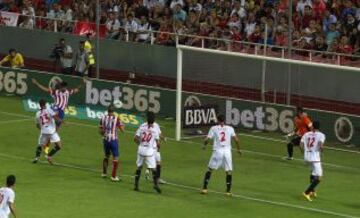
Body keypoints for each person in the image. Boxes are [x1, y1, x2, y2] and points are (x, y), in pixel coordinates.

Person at [32, 78, 84, 154]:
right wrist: (37, 83)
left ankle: (46, 146)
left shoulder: (68, 92)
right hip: (55, 109)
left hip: (61, 112)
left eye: (65, 87)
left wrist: (83, 83)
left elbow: (77, 89)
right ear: (60, 87)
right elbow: (46, 89)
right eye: (63, 87)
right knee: (52, 129)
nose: (64, 88)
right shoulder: (56, 92)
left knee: (55, 131)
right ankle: (44, 145)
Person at [201, 114, 241, 196]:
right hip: (227, 152)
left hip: (218, 151)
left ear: (218, 120)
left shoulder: (214, 128)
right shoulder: (230, 128)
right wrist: (238, 150)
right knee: (228, 171)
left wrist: (204, 145)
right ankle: (228, 191)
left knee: (210, 169)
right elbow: (236, 140)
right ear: (224, 120)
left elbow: (207, 139)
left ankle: (205, 188)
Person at [134, 112, 161, 193]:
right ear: (154, 120)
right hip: (149, 151)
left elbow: (135, 139)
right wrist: (158, 149)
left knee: (139, 167)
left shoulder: (142, 126)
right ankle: (155, 184)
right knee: (153, 168)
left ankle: (136, 185)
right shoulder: (155, 130)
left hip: (141, 149)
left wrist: (141, 143)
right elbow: (158, 143)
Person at [300, 121, 325, 201]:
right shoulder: (321, 135)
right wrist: (322, 150)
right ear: (319, 127)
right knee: (319, 177)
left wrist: (304, 152)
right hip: (315, 158)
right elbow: (321, 145)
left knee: (313, 173)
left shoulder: (306, 134)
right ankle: (306, 192)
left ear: (312, 126)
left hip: (306, 157)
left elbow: (301, 145)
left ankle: (312, 191)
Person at [99, 105, 125, 182]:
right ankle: (113, 176)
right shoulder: (117, 118)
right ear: (113, 111)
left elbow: (100, 131)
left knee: (106, 156)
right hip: (113, 140)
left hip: (106, 140)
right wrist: (122, 126)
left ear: (107, 110)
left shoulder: (103, 118)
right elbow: (123, 130)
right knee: (116, 157)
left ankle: (104, 173)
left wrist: (104, 133)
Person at [33, 99, 62, 164]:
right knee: (59, 146)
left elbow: (37, 125)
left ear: (40, 105)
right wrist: (61, 121)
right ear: (45, 104)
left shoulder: (37, 113)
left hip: (43, 132)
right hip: (52, 132)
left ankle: (36, 158)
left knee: (40, 145)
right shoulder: (49, 110)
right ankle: (48, 156)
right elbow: (56, 117)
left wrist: (42, 129)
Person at [144, 113, 166, 184]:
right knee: (158, 163)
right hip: (154, 148)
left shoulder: (144, 125)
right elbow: (159, 135)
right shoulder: (156, 125)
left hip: (147, 147)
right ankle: (157, 179)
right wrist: (163, 139)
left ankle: (148, 170)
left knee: (153, 162)